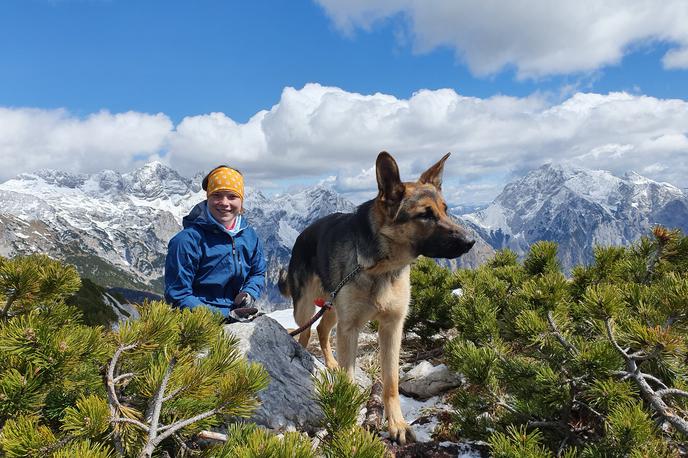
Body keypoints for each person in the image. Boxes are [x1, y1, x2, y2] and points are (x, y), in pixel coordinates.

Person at [164, 165, 266, 322]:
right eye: (217, 195)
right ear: (208, 198)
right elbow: (178, 295)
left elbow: (257, 272)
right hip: (196, 324)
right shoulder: (186, 241)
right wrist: (223, 317)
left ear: (241, 200)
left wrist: (249, 293)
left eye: (232, 196)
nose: (224, 203)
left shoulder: (249, 235)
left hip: (235, 316)